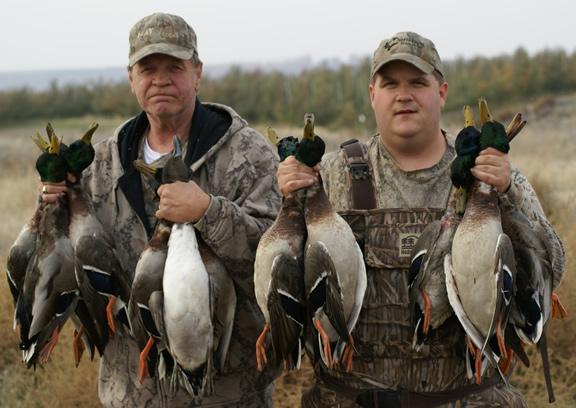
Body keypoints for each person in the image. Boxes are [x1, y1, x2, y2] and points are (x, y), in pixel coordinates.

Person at [276, 31, 566, 407]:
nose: (404, 95)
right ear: (372, 95)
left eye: (417, 82)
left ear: (441, 92)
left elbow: (553, 266)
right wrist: (289, 199)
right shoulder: (330, 175)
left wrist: (509, 190)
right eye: (390, 84)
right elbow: (278, 279)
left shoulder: (490, 173)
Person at [40, 12, 282, 407]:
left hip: (227, 396)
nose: (161, 79)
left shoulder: (249, 155)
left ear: (197, 73)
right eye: (148, 68)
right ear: (131, 77)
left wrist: (208, 213)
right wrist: (51, 208)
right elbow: (69, 274)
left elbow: (279, 270)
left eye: (175, 67)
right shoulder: (99, 165)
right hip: (131, 396)